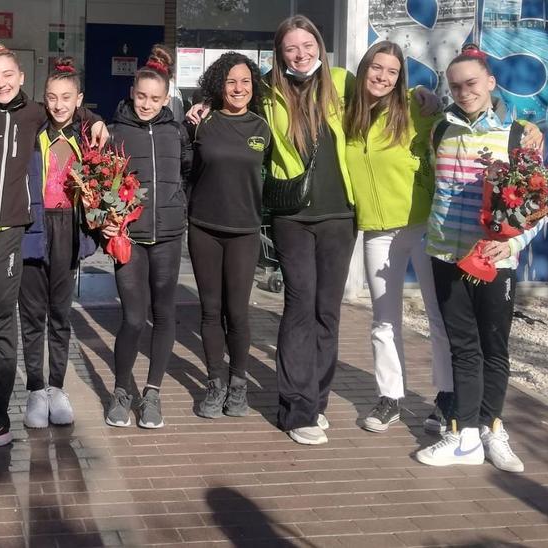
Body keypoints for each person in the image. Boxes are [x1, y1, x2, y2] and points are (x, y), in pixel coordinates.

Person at [0, 44, 106, 453]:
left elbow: (71, 109)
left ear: (22, 76)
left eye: (7, 74)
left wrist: (97, 120)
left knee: (0, 327)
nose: (1, 82)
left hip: (8, 233)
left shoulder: (35, 113)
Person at [415, 45, 545, 473]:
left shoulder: (518, 134)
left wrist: (512, 245)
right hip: (446, 254)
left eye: (471, 83)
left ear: (491, 82)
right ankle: (464, 434)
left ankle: (493, 430)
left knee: (494, 349)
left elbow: (539, 205)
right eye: (455, 86)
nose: (464, 91)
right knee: (462, 348)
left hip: (493, 260)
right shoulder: (440, 130)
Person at [261, 16, 358, 446]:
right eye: (290, 49)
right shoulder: (267, 89)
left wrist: (426, 100)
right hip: (292, 216)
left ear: (319, 44)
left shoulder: (341, 81)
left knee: (327, 311)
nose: (300, 54)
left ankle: (317, 401)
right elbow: (227, 98)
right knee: (299, 306)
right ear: (279, 55)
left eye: (306, 45)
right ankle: (295, 408)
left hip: (340, 215)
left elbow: (390, 100)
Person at [345, 41, 450, 434]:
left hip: (424, 228)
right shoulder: (348, 114)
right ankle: (390, 397)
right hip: (378, 231)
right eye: (377, 68)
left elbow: (462, 118)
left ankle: (446, 397)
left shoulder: (416, 108)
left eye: (391, 71)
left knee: (438, 317)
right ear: (364, 68)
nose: (382, 77)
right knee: (383, 321)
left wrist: (520, 126)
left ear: (400, 77)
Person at [102, 47, 192, 429]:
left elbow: (188, 171)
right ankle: (122, 389)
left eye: (156, 98)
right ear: (132, 92)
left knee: (164, 315)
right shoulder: (115, 132)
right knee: (134, 318)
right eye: (141, 96)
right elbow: (101, 183)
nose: (147, 104)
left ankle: (152, 392)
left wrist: (178, 205)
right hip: (131, 239)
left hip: (169, 236)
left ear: (167, 97)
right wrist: (104, 221)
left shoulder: (177, 131)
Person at [185, 52, 270, 420]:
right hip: (203, 227)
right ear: (219, 85)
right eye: (231, 81)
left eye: (245, 82)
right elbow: (186, 166)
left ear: (254, 86)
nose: (238, 88)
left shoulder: (263, 128)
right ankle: (215, 382)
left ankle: (238, 384)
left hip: (244, 231)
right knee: (210, 311)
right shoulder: (202, 122)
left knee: (237, 312)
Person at [19, 56, 98, 429]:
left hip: (68, 226)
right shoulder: (34, 130)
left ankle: (56, 387)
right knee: (32, 313)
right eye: (51, 97)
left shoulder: (88, 136)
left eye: (66, 97)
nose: (59, 104)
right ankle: (35, 389)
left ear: (79, 98)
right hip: (34, 225)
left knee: (60, 314)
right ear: (43, 99)